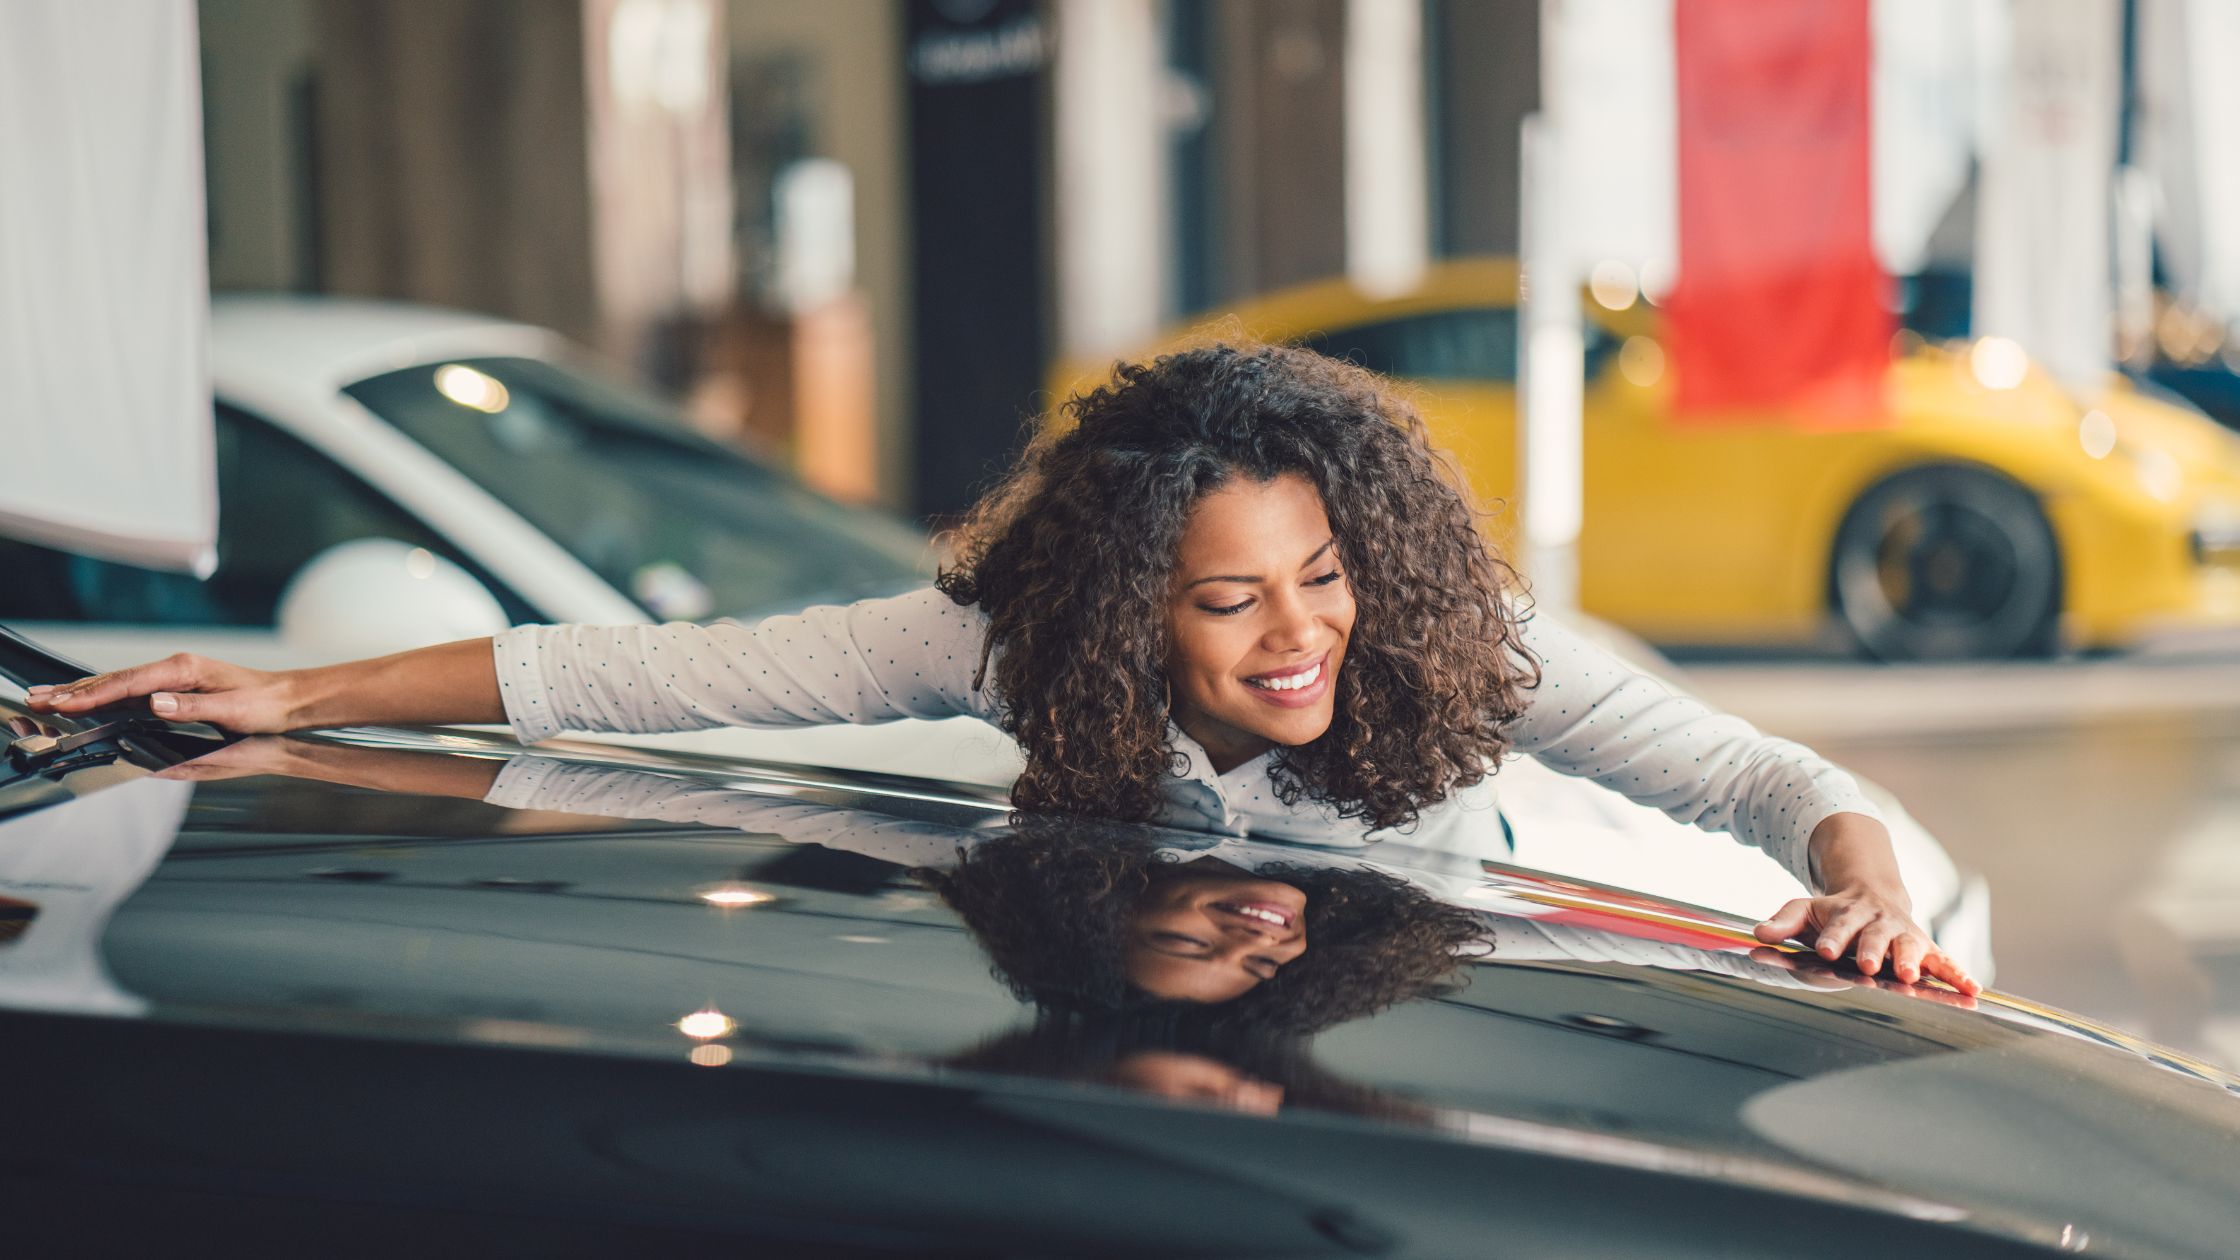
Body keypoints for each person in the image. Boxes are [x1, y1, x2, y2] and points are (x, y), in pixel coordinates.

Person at [25, 341, 1979, 994]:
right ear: (1128, 603)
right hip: (1124, 1066)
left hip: (1438, 1022)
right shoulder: (998, 648)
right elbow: (637, 680)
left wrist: (1865, 895)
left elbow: (1759, 781)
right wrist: (290, 702)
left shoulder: (1448, 648)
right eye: (1230, 604)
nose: (1298, 635)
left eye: (1319, 576)